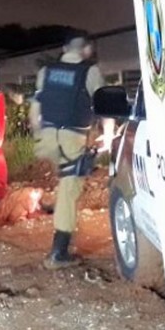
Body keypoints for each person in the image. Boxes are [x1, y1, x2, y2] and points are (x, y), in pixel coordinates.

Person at [31, 31, 104, 269]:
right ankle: (58, 253)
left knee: (64, 178)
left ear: (64, 49)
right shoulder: (89, 71)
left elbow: (36, 107)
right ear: (86, 50)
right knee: (69, 190)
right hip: (72, 137)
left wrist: (39, 135)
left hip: (47, 137)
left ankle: (50, 200)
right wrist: (109, 134)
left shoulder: (46, 72)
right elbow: (104, 104)